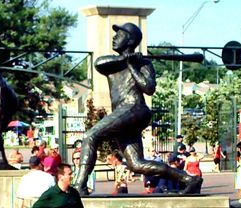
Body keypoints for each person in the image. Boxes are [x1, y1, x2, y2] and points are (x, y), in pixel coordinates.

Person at [74, 22, 202, 195]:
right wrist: (126, 59)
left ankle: (79, 185)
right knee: (136, 164)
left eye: (119, 35)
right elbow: (99, 63)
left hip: (136, 109)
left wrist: (133, 65)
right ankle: (188, 179)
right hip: (123, 113)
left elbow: (148, 88)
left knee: (91, 135)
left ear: (130, 40)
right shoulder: (113, 63)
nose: (114, 38)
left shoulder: (144, 64)